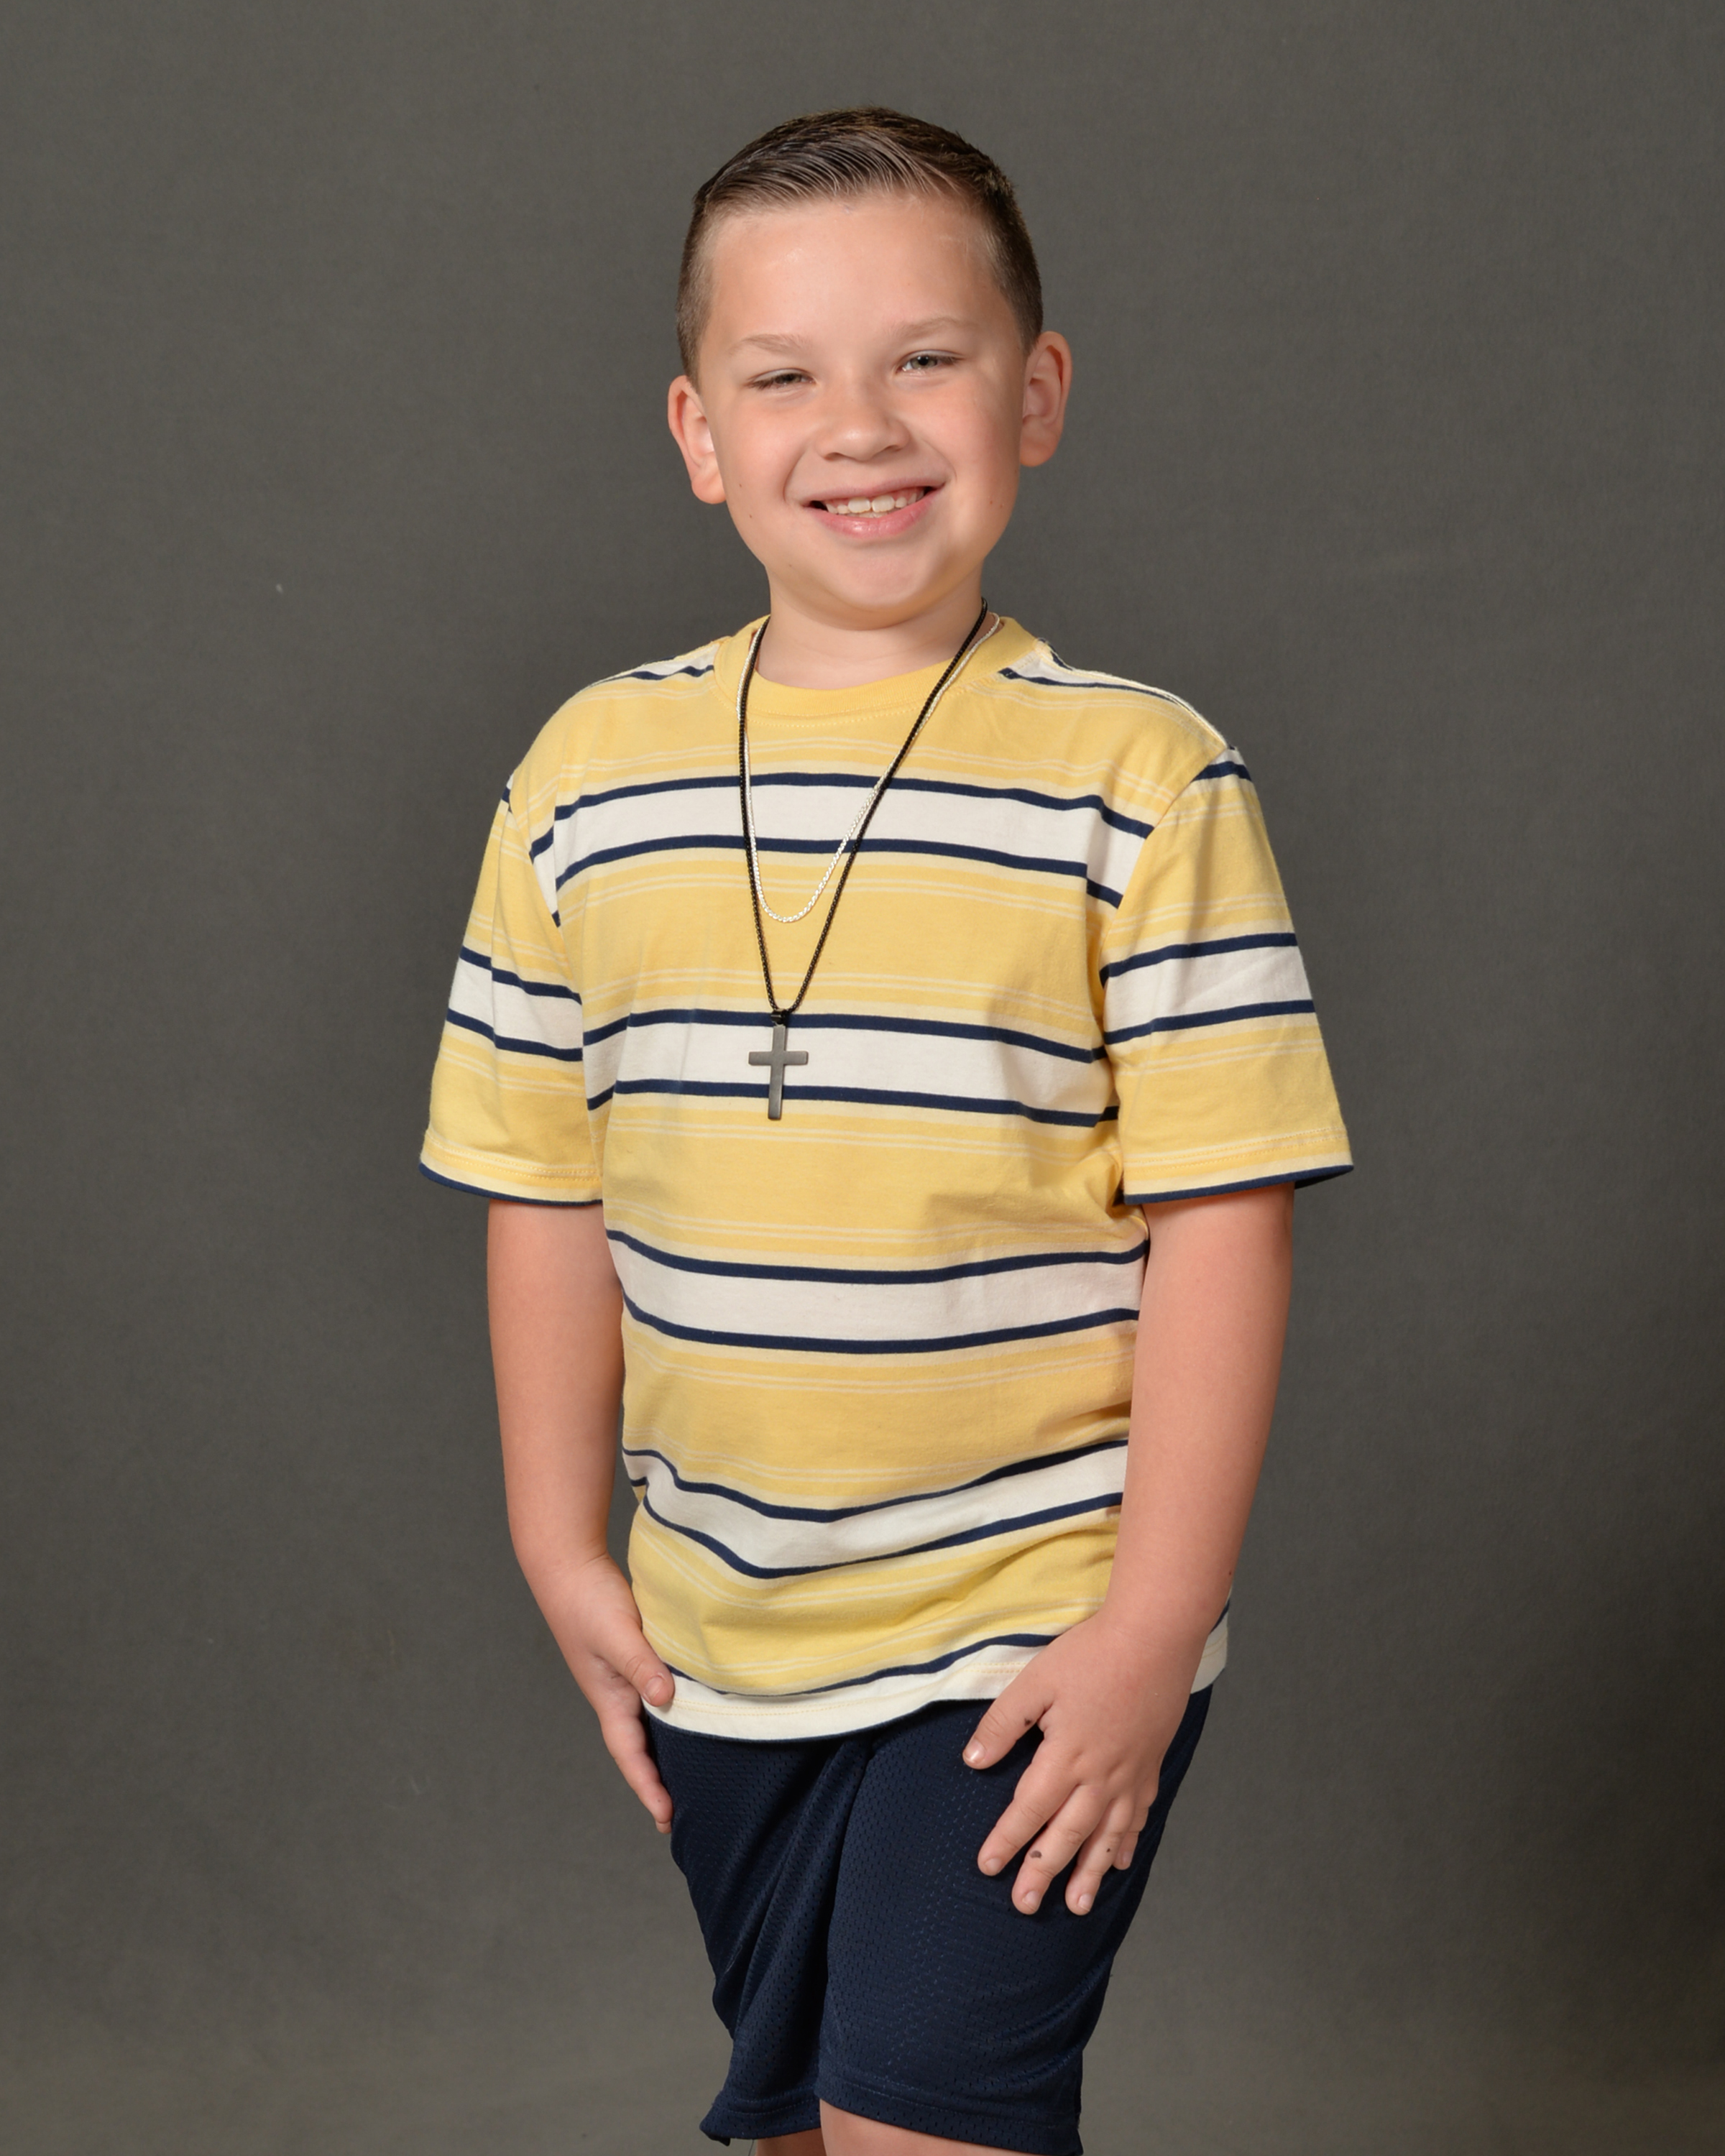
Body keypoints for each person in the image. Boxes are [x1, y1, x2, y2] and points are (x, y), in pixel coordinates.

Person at [421, 108, 1350, 2156]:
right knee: (796, 2126)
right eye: (785, 376)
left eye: (927, 358)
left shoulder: (1142, 781)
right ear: (698, 431)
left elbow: (1227, 1221)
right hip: (727, 1630)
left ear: (1038, 394)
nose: (861, 425)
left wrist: (1149, 1627)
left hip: (1034, 1617)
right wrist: (555, 1541)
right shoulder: (583, 777)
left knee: (922, 2128)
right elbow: (542, 1186)